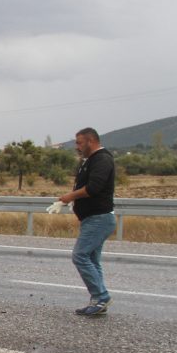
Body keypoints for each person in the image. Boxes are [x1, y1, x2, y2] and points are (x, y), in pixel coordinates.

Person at [59, 127, 117, 316]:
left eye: (79, 142)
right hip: (93, 218)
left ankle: (101, 296)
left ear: (91, 141)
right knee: (92, 259)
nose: (77, 146)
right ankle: (98, 300)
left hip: (99, 218)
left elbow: (93, 188)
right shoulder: (91, 160)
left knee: (80, 256)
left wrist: (70, 196)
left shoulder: (102, 159)